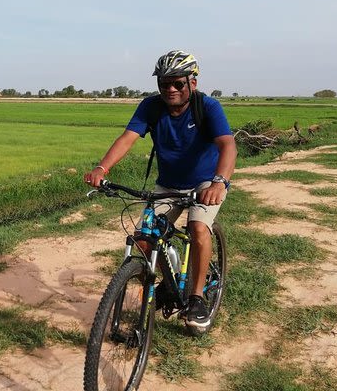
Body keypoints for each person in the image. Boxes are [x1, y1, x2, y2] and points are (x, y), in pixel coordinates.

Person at [84, 50, 237, 333]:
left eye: (177, 83)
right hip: (167, 184)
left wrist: (219, 183)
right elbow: (127, 138)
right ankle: (166, 284)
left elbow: (228, 144)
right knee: (144, 241)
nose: (170, 89)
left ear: (192, 82)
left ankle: (196, 298)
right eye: (164, 83)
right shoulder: (150, 107)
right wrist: (102, 169)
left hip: (204, 182)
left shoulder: (208, 107)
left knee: (198, 227)